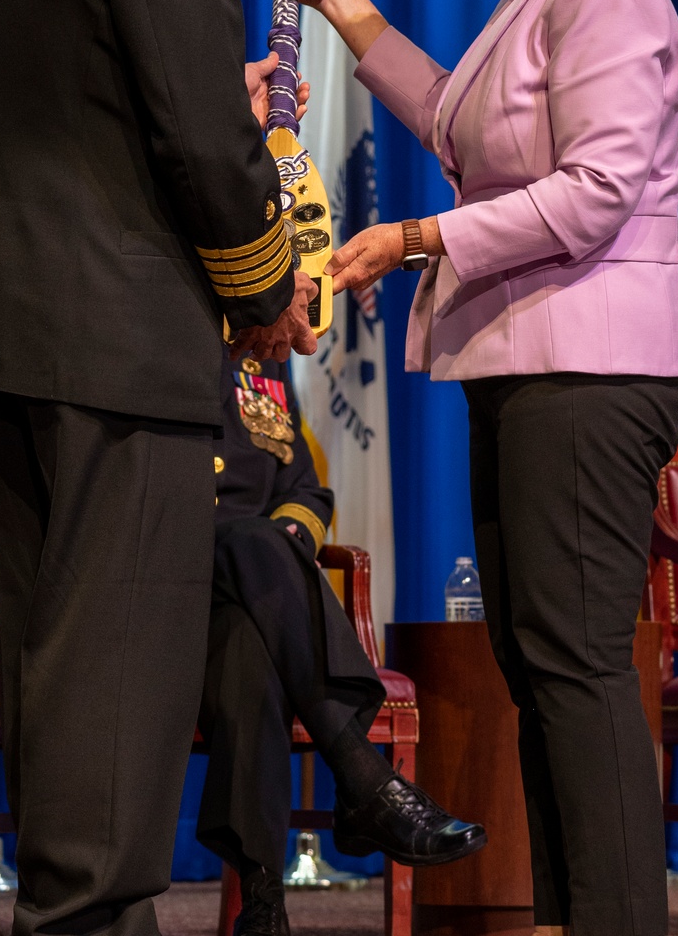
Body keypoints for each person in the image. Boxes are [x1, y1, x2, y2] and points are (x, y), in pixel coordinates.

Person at [292, 0, 678, 936]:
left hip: (593, 364)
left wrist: (414, 240)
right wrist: (345, 8)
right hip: (530, 359)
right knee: (542, 667)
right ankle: (583, 915)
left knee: (573, 666)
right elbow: (459, 126)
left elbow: (592, 194)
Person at [0, 0, 320, 936]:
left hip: (5, 331)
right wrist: (268, 294)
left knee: (57, 667)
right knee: (123, 679)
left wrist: (211, 82)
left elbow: (85, 108)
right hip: (122, 348)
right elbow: (204, 153)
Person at [199, 353, 484, 935]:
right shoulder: (166, 335)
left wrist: (287, 543)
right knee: (252, 544)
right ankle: (362, 779)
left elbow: (304, 488)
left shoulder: (259, 366)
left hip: (250, 612)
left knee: (252, 656)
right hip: (173, 597)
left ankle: (263, 907)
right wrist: (263, 549)